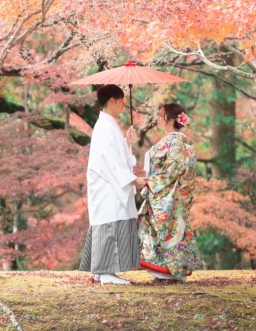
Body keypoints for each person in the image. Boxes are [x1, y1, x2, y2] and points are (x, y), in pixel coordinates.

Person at [79, 85, 148, 285]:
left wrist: (126, 142)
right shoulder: (105, 126)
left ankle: (102, 270)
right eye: (121, 100)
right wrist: (133, 180)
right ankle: (107, 272)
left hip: (109, 185)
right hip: (108, 187)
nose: (123, 104)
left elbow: (116, 156)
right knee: (110, 224)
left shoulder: (108, 125)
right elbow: (111, 162)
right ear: (111, 100)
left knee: (108, 223)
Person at [137, 103, 203, 282]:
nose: (158, 118)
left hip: (168, 197)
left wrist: (150, 183)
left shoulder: (173, 143)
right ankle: (172, 272)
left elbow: (170, 172)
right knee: (173, 234)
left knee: (169, 234)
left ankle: (168, 273)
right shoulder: (178, 144)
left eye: (161, 115)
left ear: (171, 120)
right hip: (171, 196)